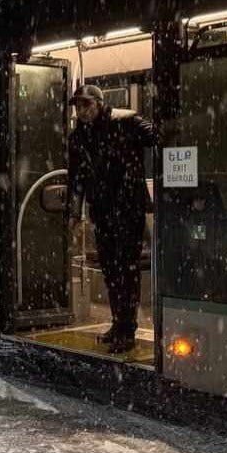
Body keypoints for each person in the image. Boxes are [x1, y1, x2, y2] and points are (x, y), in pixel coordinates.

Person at [65, 84, 158, 355]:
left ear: (98, 103)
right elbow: (77, 179)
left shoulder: (125, 122)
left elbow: (156, 136)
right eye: (77, 106)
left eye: (85, 104)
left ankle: (126, 329)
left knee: (125, 268)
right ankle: (119, 324)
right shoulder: (78, 138)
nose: (81, 111)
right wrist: (74, 212)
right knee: (111, 269)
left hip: (128, 207)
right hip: (103, 209)